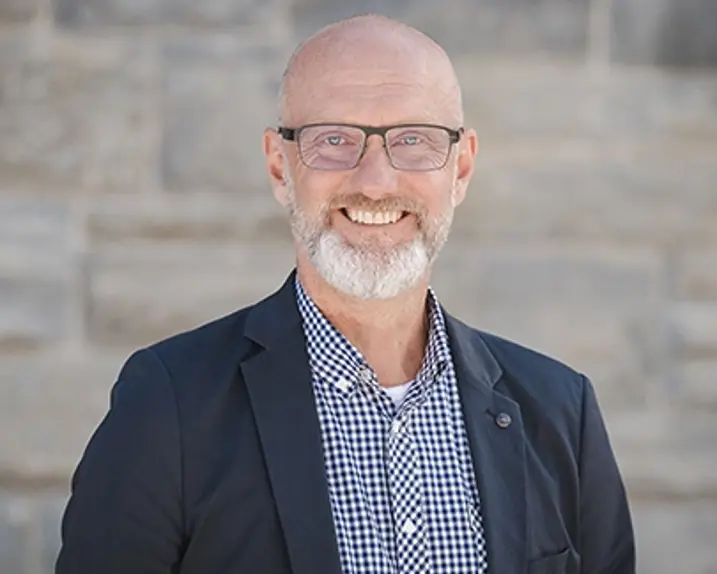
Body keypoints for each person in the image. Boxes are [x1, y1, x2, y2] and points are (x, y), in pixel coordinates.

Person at [56, 14, 635, 574]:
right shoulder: (170, 407)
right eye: (334, 139)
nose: (376, 182)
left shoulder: (563, 412)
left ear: (460, 170)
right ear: (280, 168)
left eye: (413, 139)